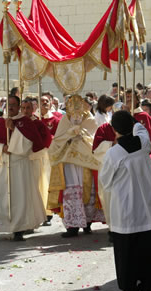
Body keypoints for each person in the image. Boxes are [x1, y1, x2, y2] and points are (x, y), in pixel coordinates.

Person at [99, 111, 151, 291]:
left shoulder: (114, 153)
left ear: (114, 129)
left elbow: (105, 181)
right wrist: (131, 119)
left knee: (127, 251)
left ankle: (129, 288)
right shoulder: (144, 143)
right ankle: (147, 287)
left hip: (126, 207)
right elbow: (141, 128)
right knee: (146, 248)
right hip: (146, 206)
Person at [0, 95, 46, 241]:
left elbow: (30, 145)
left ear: (18, 107)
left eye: (13, 105)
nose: (10, 107)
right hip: (2, 165)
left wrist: (14, 130)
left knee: (20, 198)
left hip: (19, 165)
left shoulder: (26, 123)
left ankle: (19, 229)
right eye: (8, 104)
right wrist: (1, 147)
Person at [48, 95, 104, 237]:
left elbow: (94, 139)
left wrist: (81, 133)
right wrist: (69, 133)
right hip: (69, 162)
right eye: (72, 106)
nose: (76, 111)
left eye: (78, 106)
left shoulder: (90, 119)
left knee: (87, 189)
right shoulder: (65, 120)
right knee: (71, 190)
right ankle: (72, 226)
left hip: (85, 161)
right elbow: (58, 140)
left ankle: (88, 222)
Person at [21, 98, 53, 226]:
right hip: (20, 161)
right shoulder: (16, 123)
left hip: (34, 160)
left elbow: (45, 142)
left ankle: (38, 215)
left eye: (28, 108)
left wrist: (32, 154)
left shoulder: (39, 124)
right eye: (23, 108)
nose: (25, 111)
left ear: (33, 109)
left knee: (36, 188)